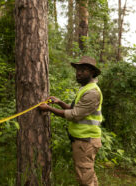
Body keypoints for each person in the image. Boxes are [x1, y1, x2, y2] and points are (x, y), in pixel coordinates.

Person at [39, 56, 103, 186]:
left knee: (85, 178)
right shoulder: (85, 88)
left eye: (83, 70)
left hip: (86, 141)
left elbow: (74, 115)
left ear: (92, 72)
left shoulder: (92, 92)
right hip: (83, 140)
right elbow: (75, 109)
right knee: (88, 174)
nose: (78, 73)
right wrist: (59, 102)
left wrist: (48, 109)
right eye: (78, 70)